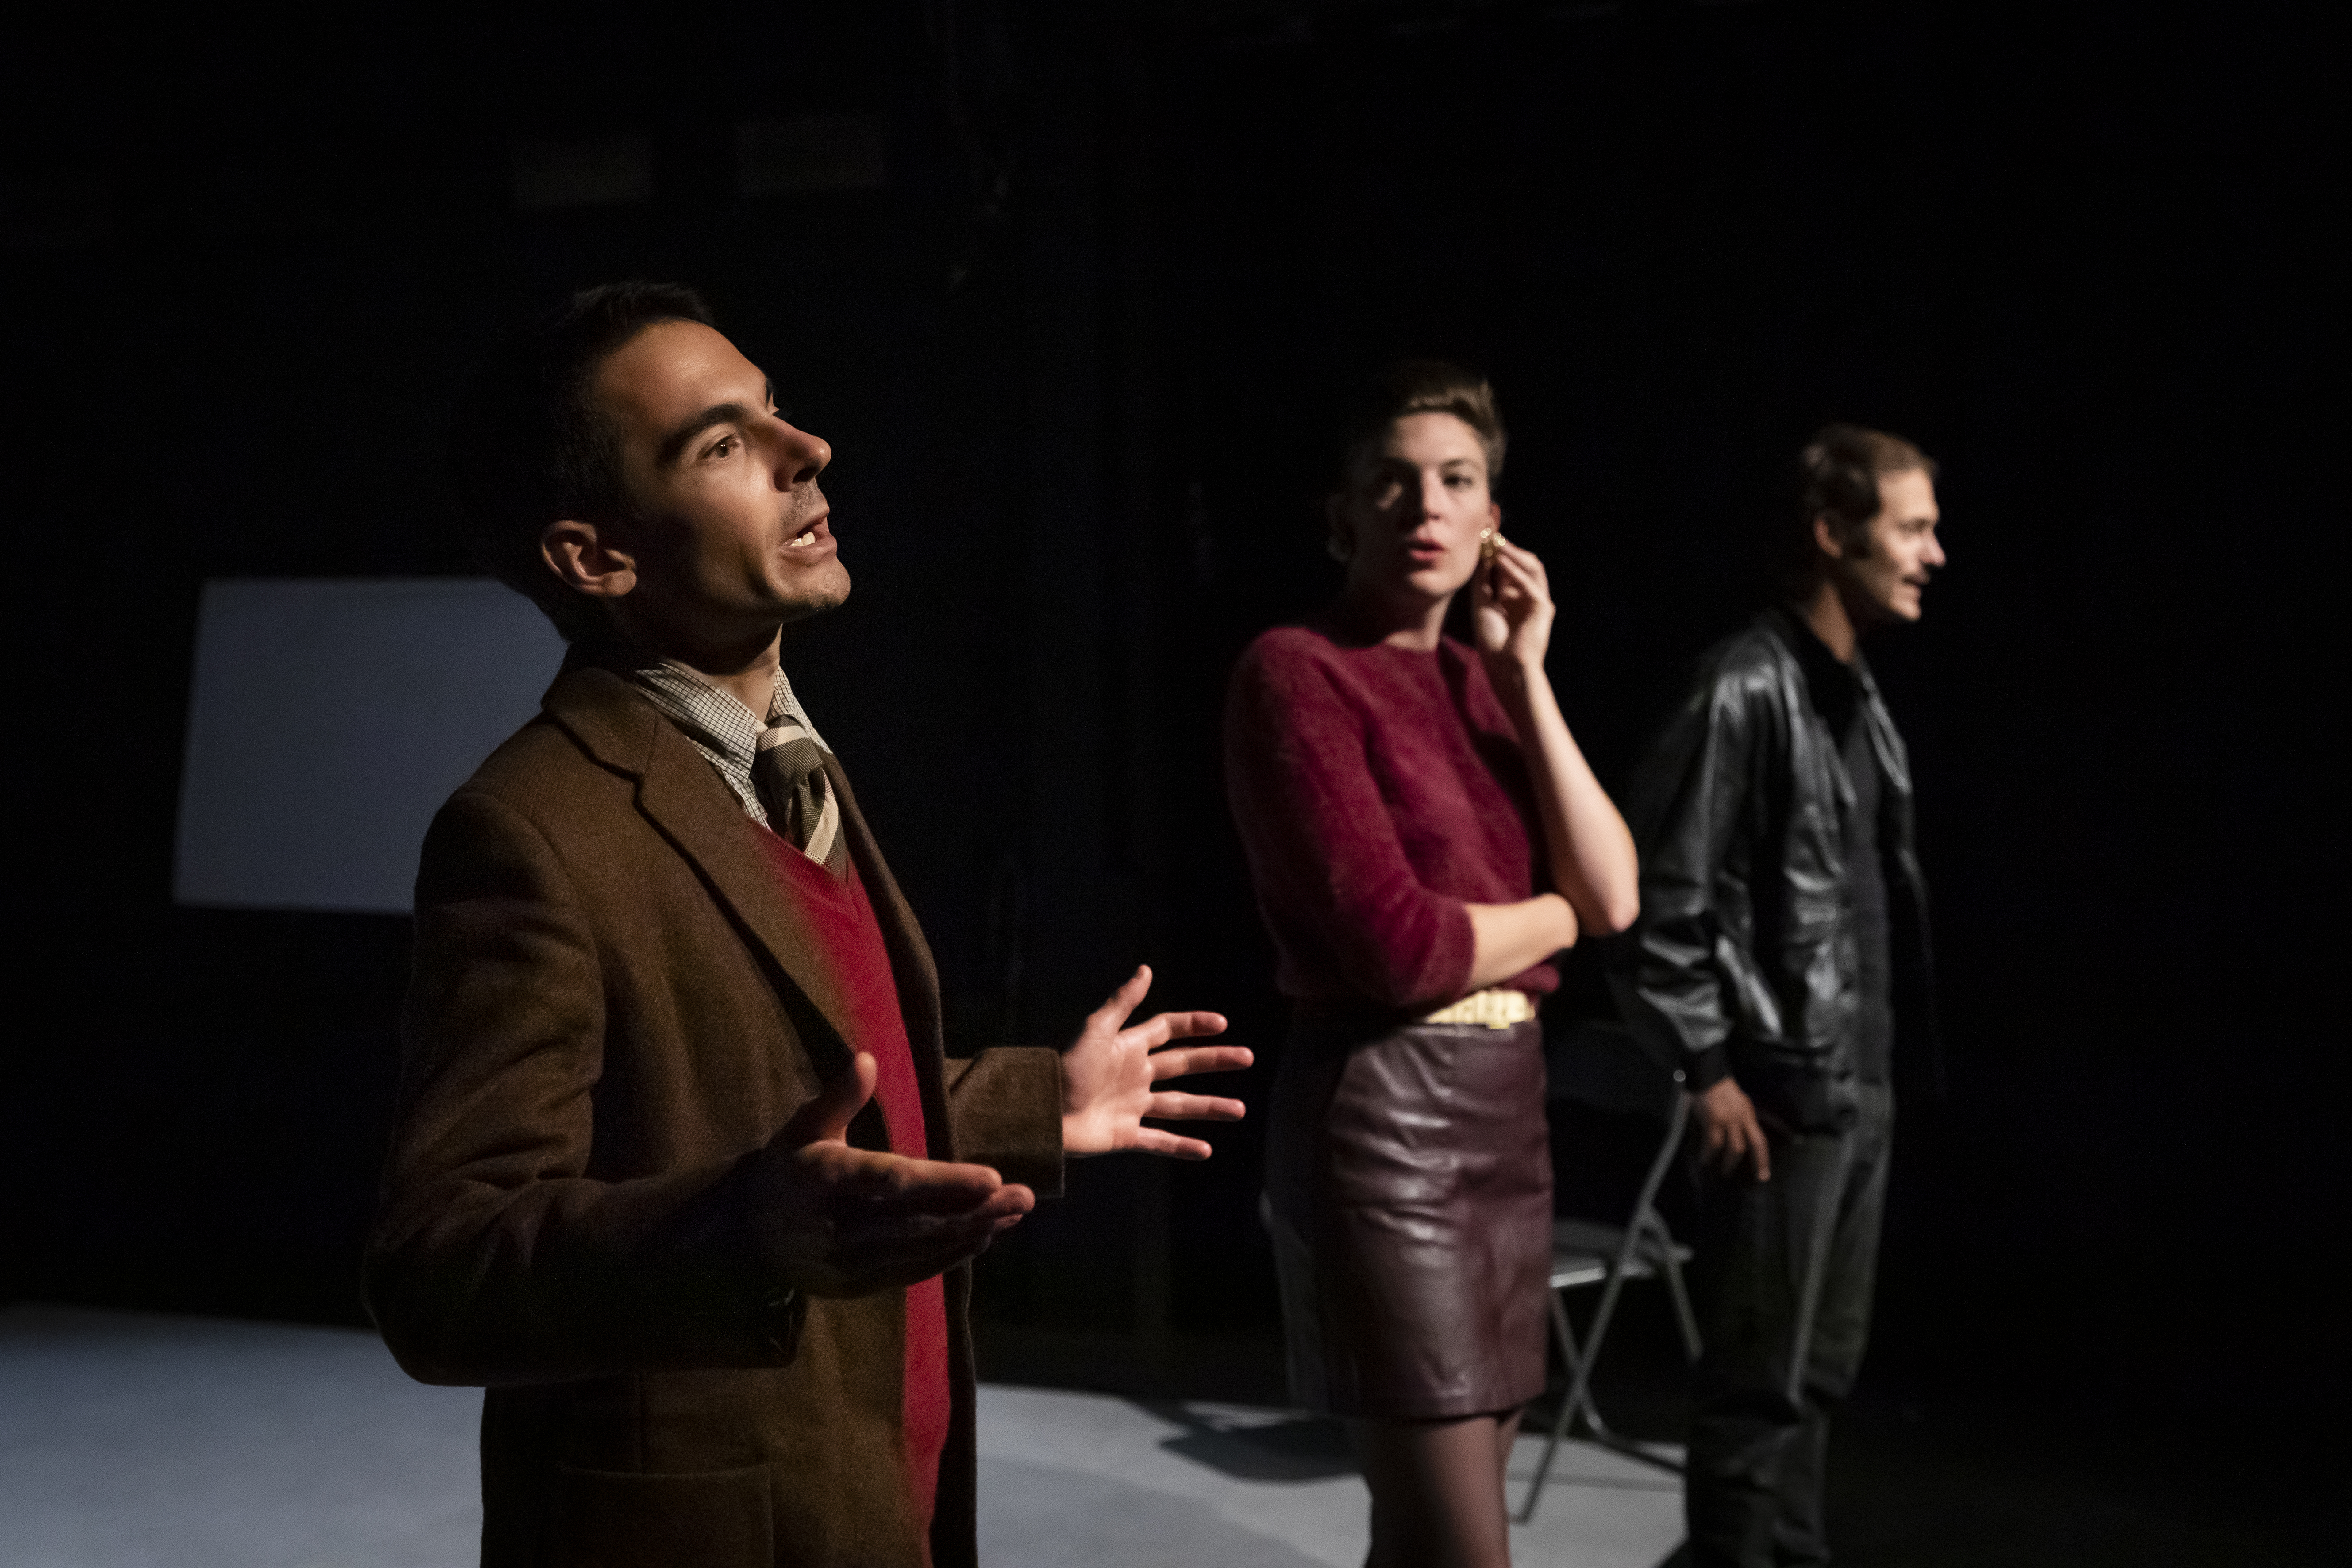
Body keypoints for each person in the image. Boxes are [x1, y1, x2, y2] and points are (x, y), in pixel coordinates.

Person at [363, 281, 1253, 1568]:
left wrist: (1033, 1107)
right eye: (722, 444)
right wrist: (743, 1232)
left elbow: (778, 1083)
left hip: (877, 1493)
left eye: (775, 409)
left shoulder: (791, 760)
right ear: (595, 558)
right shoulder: (529, 829)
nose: (810, 449)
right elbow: (438, 1269)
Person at [1223, 362, 1641, 1568]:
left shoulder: (1483, 682)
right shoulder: (1297, 671)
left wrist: (1524, 675)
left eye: (1457, 481)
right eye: (1391, 482)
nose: (1426, 507)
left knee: (1420, 1540)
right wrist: (1560, 916)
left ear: (1492, 520)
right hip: (1384, 1124)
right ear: (1341, 513)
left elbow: (1617, 890)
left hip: (1506, 1118)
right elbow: (1403, 951)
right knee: (1464, 1550)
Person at [1612, 424, 1946, 1568]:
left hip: (1853, 1089)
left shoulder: (1854, 694)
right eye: (1912, 528)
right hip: (1777, 1100)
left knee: (1818, 1377)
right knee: (1757, 1392)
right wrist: (1706, 1070)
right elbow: (1653, 901)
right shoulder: (1741, 686)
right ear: (1831, 533)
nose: (1932, 554)